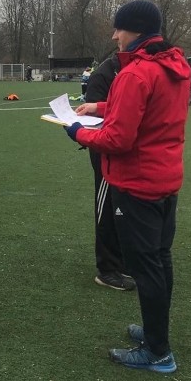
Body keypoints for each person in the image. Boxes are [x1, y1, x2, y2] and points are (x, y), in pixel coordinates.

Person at [65, 0, 189, 374]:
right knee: (160, 260)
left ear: (133, 29)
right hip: (166, 179)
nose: (114, 35)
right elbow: (146, 109)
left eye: (118, 28)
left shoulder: (136, 73)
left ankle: (158, 352)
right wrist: (99, 107)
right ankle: (155, 334)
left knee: (146, 267)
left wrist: (77, 132)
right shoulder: (174, 66)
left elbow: (118, 140)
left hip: (137, 183)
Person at [83, 59, 135, 292]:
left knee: (126, 208)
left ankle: (124, 261)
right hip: (107, 151)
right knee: (107, 208)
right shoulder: (104, 74)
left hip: (130, 153)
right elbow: (93, 118)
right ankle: (108, 269)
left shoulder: (139, 70)